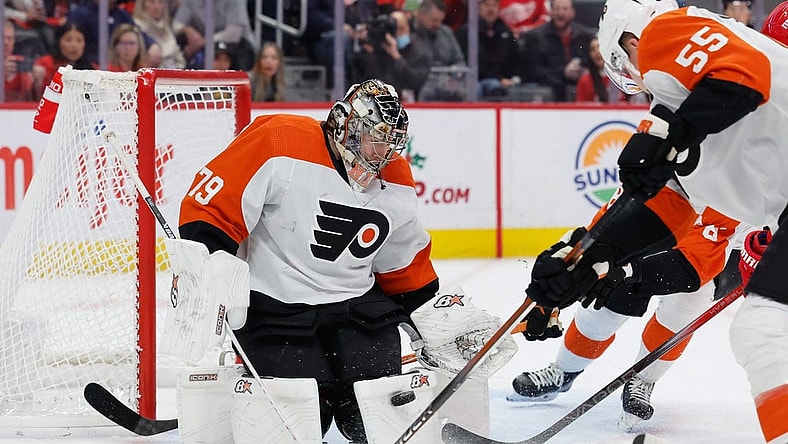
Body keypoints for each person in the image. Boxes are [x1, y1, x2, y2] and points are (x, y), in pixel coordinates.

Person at [165, 79, 512, 443]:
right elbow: (212, 207)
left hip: (356, 307)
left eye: (389, 142)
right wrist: (210, 260)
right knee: (299, 415)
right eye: (373, 137)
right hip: (277, 307)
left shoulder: (395, 176)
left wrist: (433, 318)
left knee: (379, 413)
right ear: (343, 121)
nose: (381, 154)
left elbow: (403, 261)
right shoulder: (280, 138)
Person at [523, 0, 788, 442]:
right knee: (759, 328)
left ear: (629, 40)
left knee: (759, 327)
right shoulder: (700, 108)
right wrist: (592, 253)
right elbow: (665, 201)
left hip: (699, 262)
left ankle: (642, 376)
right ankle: (566, 367)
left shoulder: (669, 32)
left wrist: (672, 128)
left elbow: (744, 77)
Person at [510, 194, 745, 429]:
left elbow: (694, 264)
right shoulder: (659, 168)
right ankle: (564, 370)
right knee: (604, 304)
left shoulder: (728, 185)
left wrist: (630, 272)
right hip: (673, 224)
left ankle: (643, 379)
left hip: (732, 248)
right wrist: (560, 284)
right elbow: (611, 224)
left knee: (687, 303)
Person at [521, 0, 594, 102]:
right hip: (550, 87)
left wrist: (583, 70)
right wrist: (563, 72)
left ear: (573, 12)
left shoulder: (585, 36)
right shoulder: (535, 37)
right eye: (557, 9)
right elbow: (532, 70)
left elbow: (592, 62)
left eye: (564, 9)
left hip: (580, 85)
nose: (560, 13)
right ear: (551, 12)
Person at [349, 10, 432, 99]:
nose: (399, 32)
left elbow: (416, 82)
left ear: (409, 28)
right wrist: (368, 49)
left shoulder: (419, 50)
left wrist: (396, 56)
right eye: (396, 29)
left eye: (402, 28)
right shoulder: (374, 51)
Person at [454, 0, 521, 99]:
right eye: (486, 5)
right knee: (488, 86)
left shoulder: (505, 31)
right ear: (478, 7)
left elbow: (516, 57)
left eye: (494, 5)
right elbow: (469, 63)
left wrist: (514, 77)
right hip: (475, 80)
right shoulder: (467, 32)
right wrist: (499, 79)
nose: (491, 9)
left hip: (501, 80)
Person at [172, 0, 256, 70]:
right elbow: (176, 25)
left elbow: (234, 33)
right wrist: (188, 30)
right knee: (181, 39)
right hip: (202, 44)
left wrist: (205, 41)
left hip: (234, 44)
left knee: (229, 51)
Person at [32, 21, 97, 98]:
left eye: (79, 41)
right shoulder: (44, 64)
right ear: (59, 42)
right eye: (68, 40)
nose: (74, 45)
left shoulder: (92, 70)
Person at [133, 0, 186, 69]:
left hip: (175, 69)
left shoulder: (166, 25)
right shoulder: (137, 26)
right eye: (151, 2)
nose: (156, 7)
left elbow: (178, 55)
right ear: (143, 4)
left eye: (160, 2)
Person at [4, 19, 35, 102]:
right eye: (2, 37)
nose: (5, 42)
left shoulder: (21, 63)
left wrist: (37, 84)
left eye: (10, 38)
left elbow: (31, 100)